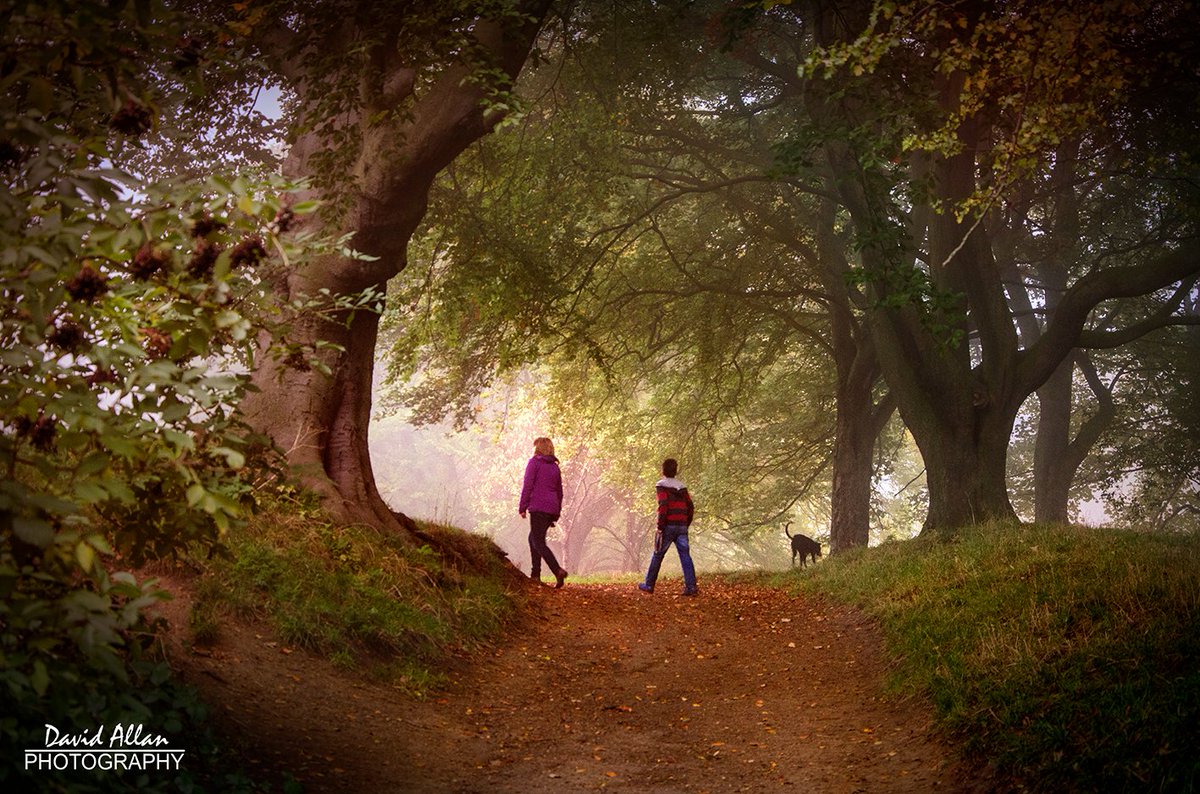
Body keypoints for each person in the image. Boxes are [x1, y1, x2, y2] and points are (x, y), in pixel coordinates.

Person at [638, 458, 698, 596]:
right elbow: (690, 506)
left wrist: (660, 526)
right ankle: (691, 587)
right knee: (685, 556)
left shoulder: (661, 485)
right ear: (675, 471)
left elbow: (663, 505)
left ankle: (648, 585)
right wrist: (685, 523)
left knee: (658, 554)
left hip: (668, 526)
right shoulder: (682, 487)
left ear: (663, 470)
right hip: (681, 525)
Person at [518, 436, 568, 588]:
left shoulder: (534, 463)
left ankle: (556, 570)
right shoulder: (554, 467)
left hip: (538, 507)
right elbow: (560, 492)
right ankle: (535, 575)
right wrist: (556, 512)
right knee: (533, 538)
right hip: (551, 508)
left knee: (538, 541)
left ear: (538, 448)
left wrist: (523, 506)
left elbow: (528, 485)